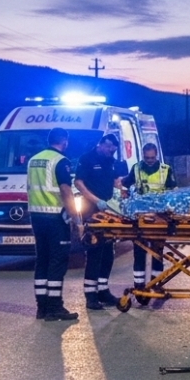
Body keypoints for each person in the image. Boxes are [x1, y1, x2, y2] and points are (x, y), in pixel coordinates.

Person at [27, 127, 81, 321]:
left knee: (42, 260)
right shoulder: (61, 161)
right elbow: (66, 192)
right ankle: (55, 307)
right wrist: (77, 219)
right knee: (57, 263)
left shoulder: (34, 160)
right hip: (55, 218)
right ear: (64, 141)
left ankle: (41, 307)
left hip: (36, 216)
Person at [74, 133, 126, 310]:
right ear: (102, 144)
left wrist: (119, 192)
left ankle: (103, 290)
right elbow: (79, 183)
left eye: (114, 150)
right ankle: (90, 295)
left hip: (108, 212)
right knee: (95, 251)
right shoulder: (87, 158)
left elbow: (115, 181)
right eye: (109, 148)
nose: (111, 152)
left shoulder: (110, 160)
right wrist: (95, 200)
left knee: (108, 252)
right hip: (92, 210)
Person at [120, 143, 176, 291]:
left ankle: (156, 282)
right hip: (141, 217)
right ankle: (139, 285)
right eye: (147, 158)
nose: (150, 160)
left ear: (156, 155)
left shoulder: (166, 170)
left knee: (157, 252)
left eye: (152, 157)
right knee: (139, 252)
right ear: (143, 156)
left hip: (159, 217)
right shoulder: (137, 168)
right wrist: (124, 193)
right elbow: (125, 184)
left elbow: (173, 192)